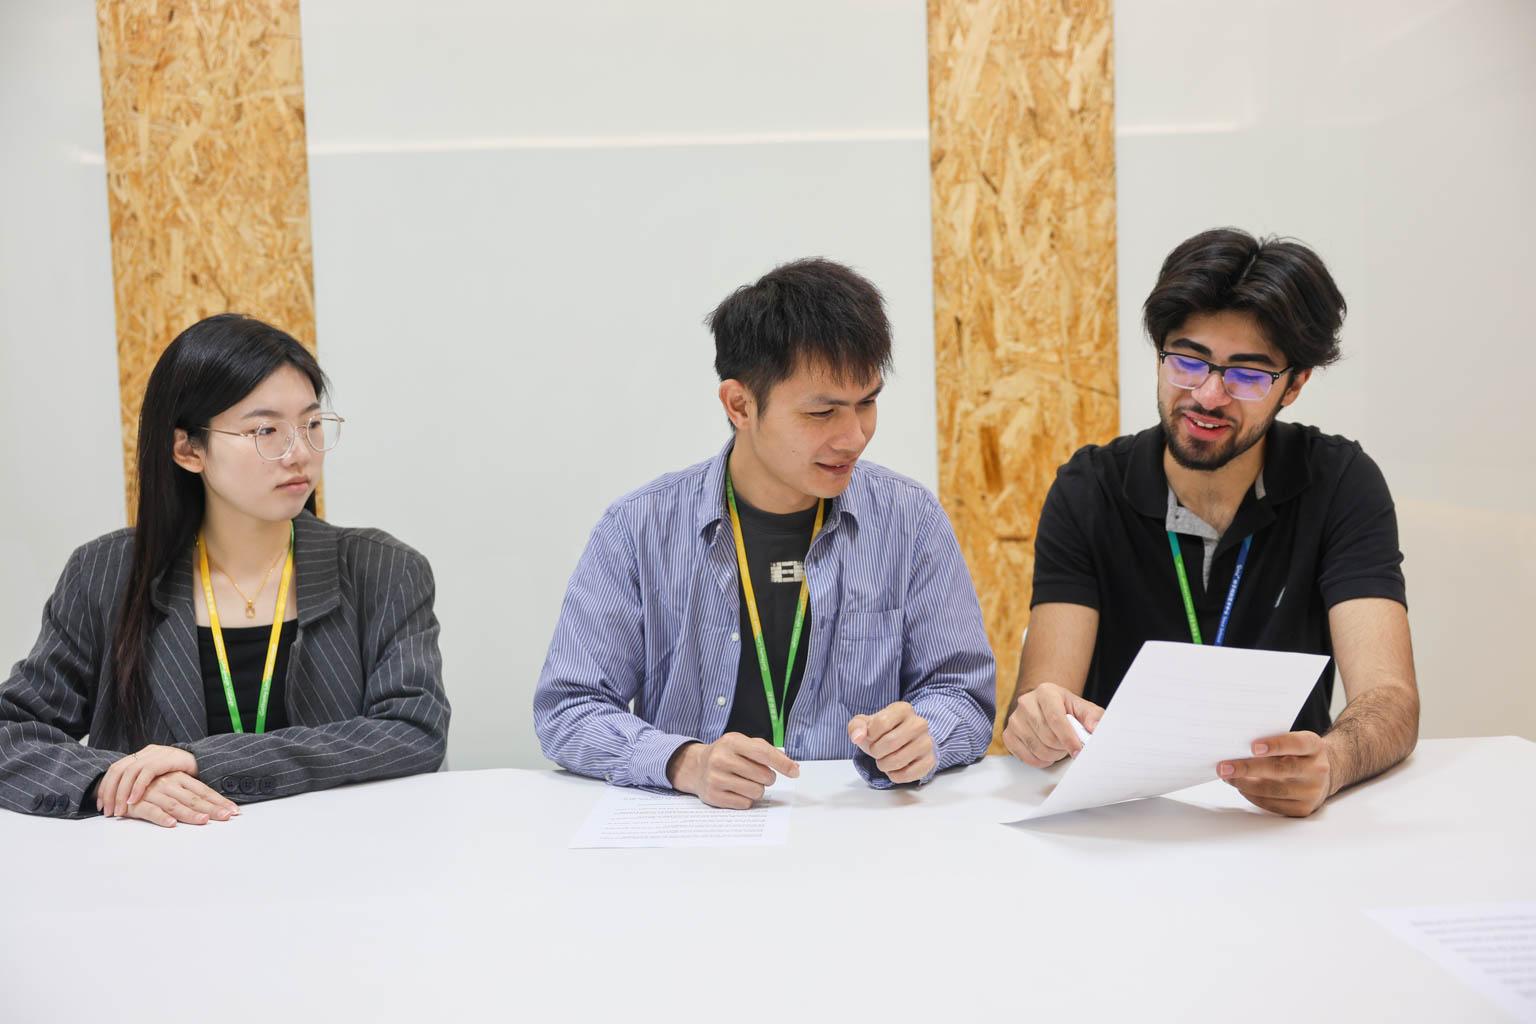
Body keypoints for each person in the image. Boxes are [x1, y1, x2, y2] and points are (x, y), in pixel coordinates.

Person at [534, 258, 995, 808]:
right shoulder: (640, 529)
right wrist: (685, 762)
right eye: (822, 412)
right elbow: (569, 708)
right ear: (740, 405)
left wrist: (924, 736)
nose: (854, 437)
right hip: (696, 828)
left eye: (868, 402)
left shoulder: (909, 521)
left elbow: (964, 696)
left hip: (858, 827)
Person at [1002, 228, 1418, 817]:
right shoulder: (1089, 489)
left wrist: (1333, 761)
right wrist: (1039, 721)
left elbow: (1390, 697)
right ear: (1159, 355)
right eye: (1188, 361)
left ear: (1295, 384)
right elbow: (1044, 693)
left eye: (1247, 374)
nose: (1209, 395)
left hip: (1278, 819)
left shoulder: (1339, 482)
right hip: (1123, 814)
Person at [0, 314, 450, 825]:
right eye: (265, 431)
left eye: (311, 425)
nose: (299, 453)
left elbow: (414, 731)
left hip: (336, 855)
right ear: (188, 449)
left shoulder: (384, 569)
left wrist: (208, 762)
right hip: (160, 864)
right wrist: (112, 782)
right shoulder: (106, 574)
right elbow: (10, 733)